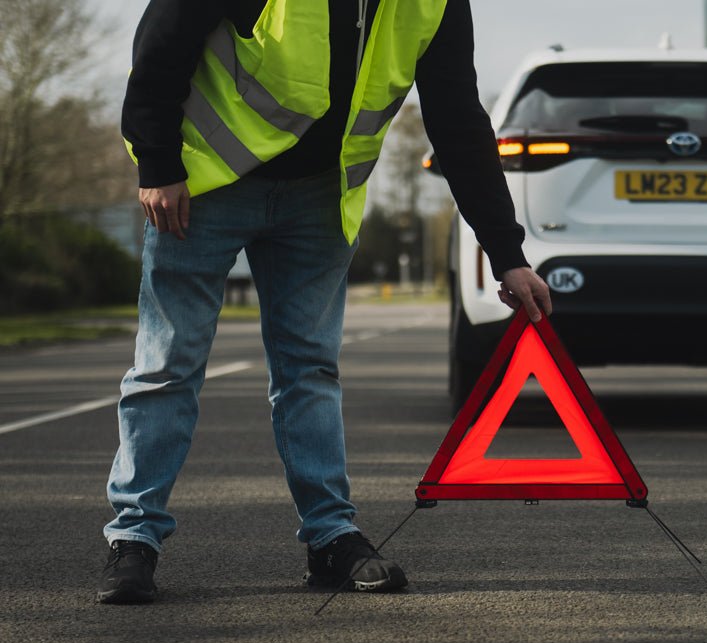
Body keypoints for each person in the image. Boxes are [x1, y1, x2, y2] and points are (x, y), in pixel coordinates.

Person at [97, 0, 551, 605]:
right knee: (166, 364)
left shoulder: (435, 3)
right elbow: (164, 38)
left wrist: (506, 250)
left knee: (310, 368)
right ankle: (133, 542)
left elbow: (456, 117)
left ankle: (331, 539)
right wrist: (157, 160)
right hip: (207, 183)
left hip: (318, 197)